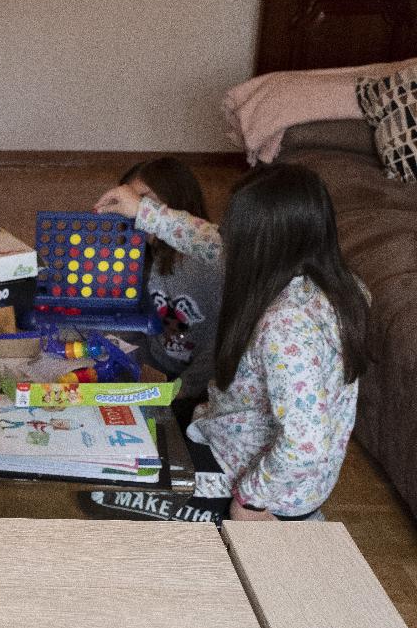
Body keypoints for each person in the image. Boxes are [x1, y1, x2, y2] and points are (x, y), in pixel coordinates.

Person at [121, 164, 367, 521]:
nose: (225, 242)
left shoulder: (287, 326)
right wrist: (145, 212)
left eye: (234, 235)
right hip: (246, 447)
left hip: (253, 484)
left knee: (113, 488)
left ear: (261, 246)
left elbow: (305, 445)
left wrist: (251, 499)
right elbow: (209, 241)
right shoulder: (339, 287)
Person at [93, 157, 224, 424]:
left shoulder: (210, 261)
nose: (132, 209)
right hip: (158, 372)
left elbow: (221, 346)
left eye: (143, 199)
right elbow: (132, 323)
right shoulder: (144, 258)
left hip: (200, 387)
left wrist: (181, 390)